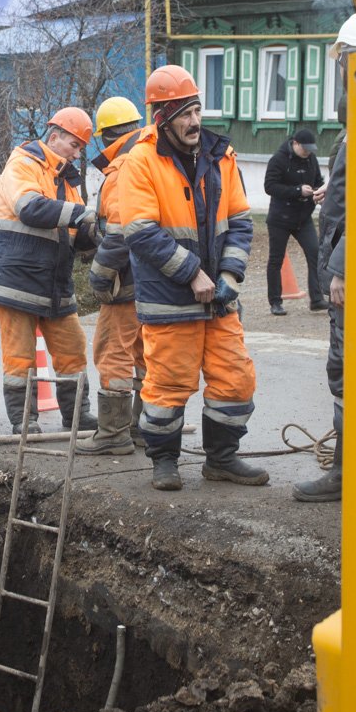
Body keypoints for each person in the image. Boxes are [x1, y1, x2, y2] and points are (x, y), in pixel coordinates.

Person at [120, 65, 263, 491]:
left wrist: (229, 275)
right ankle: (164, 462)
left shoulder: (221, 156)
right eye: (184, 113)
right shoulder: (140, 162)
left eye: (197, 109)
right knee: (167, 384)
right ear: (161, 117)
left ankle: (222, 459)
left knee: (235, 379)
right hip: (170, 297)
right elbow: (141, 231)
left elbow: (240, 221)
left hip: (219, 297)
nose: (194, 121)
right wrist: (193, 274)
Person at [0, 106, 100, 435]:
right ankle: (24, 422)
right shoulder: (22, 164)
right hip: (17, 280)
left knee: (73, 350)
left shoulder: (68, 183)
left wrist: (98, 231)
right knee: (20, 357)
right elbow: (30, 208)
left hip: (54, 283)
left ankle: (78, 415)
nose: (77, 154)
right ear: (54, 137)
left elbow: (76, 235)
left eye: (80, 148)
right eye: (73, 145)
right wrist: (81, 214)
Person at [293, 13, 356, 502]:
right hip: (348, 262)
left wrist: (340, 267)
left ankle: (347, 472)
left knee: (345, 368)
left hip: (352, 272)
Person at [75, 96, 150, 456]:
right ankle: (143, 428)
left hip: (128, 278)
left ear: (106, 136)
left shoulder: (124, 168)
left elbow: (119, 232)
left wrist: (100, 276)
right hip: (153, 278)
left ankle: (113, 433)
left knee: (112, 351)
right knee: (142, 352)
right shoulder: (153, 156)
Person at [263, 127, 327, 315]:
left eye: (310, 149)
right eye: (305, 148)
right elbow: (270, 186)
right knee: (276, 259)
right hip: (280, 218)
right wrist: (297, 191)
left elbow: (317, 179)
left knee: (315, 252)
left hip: (303, 217)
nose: (307, 152)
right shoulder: (278, 159)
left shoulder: (311, 159)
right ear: (295, 144)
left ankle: (317, 299)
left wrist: (318, 192)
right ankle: (275, 301)